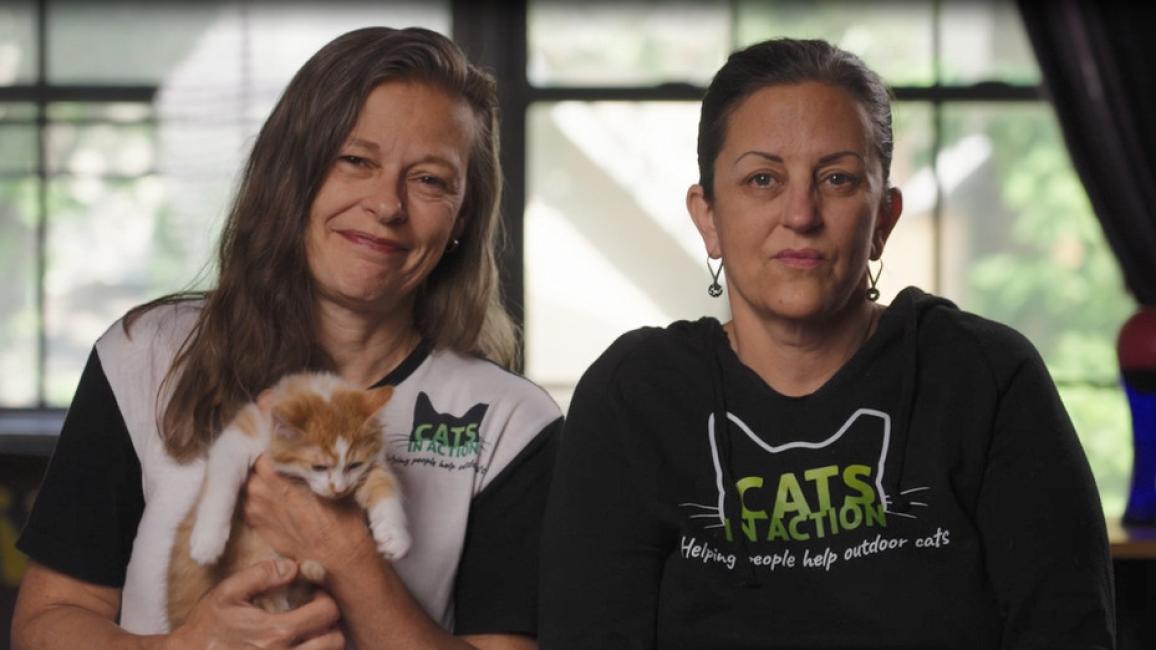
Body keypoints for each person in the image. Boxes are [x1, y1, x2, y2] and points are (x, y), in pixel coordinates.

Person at [539, 37, 1115, 649]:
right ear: (708, 216)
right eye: (763, 178)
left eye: (837, 179)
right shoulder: (635, 397)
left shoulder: (986, 378)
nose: (801, 213)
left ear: (884, 219)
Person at [13, 26, 561, 650]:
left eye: (430, 180)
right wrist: (180, 646)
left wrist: (345, 554)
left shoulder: (512, 424)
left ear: (463, 216)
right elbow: (45, 624)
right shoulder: (145, 356)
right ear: (293, 172)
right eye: (355, 160)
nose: (386, 205)